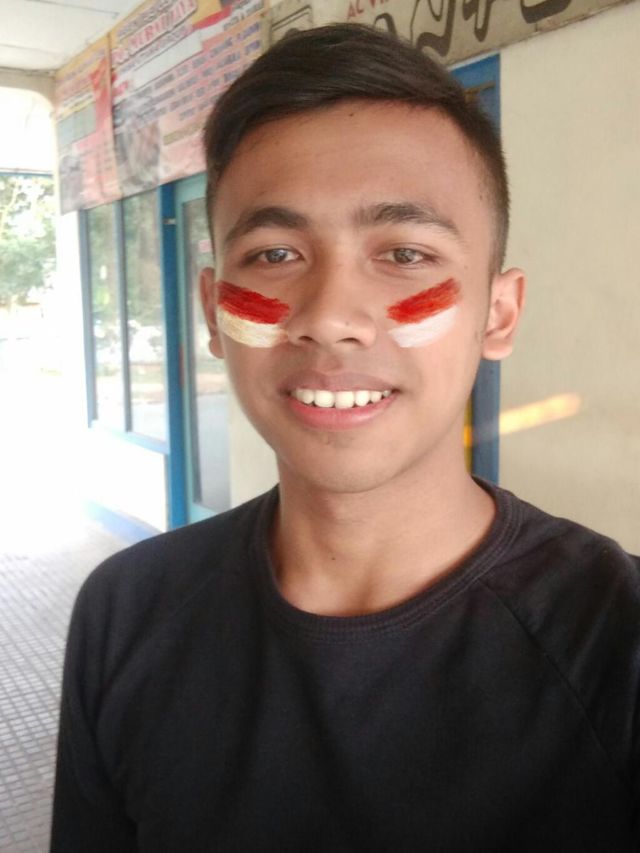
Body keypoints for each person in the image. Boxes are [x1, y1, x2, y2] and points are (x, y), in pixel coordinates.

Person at [50, 24, 640, 852]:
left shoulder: (618, 642)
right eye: (275, 253)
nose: (329, 317)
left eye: (404, 252)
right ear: (212, 309)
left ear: (498, 313)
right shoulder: (124, 614)